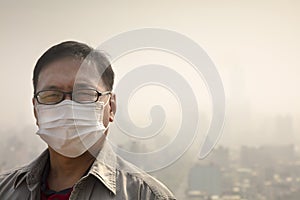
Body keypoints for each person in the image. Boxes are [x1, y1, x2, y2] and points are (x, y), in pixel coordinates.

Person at [0, 41, 176, 199]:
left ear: (111, 107)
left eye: (84, 93)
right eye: (52, 95)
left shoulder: (144, 195)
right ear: (36, 111)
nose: (67, 106)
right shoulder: (5, 191)